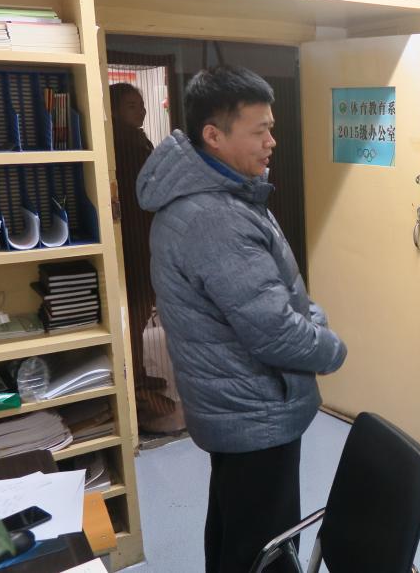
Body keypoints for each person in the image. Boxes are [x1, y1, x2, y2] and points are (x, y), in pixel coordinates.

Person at [137, 65, 347, 573]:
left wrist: (309, 317)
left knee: (236, 529)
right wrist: (331, 348)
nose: (272, 142)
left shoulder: (225, 194)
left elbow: (274, 296)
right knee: (264, 547)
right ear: (214, 135)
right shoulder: (215, 217)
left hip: (235, 406)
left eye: (271, 128)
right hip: (256, 412)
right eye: (260, 131)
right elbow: (274, 331)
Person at [109, 82, 175, 424]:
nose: (142, 111)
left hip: (144, 234)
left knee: (139, 309)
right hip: (134, 236)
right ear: (115, 110)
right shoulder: (122, 143)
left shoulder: (136, 138)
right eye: (132, 106)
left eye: (142, 104)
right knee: (134, 310)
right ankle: (133, 380)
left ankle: (139, 372)